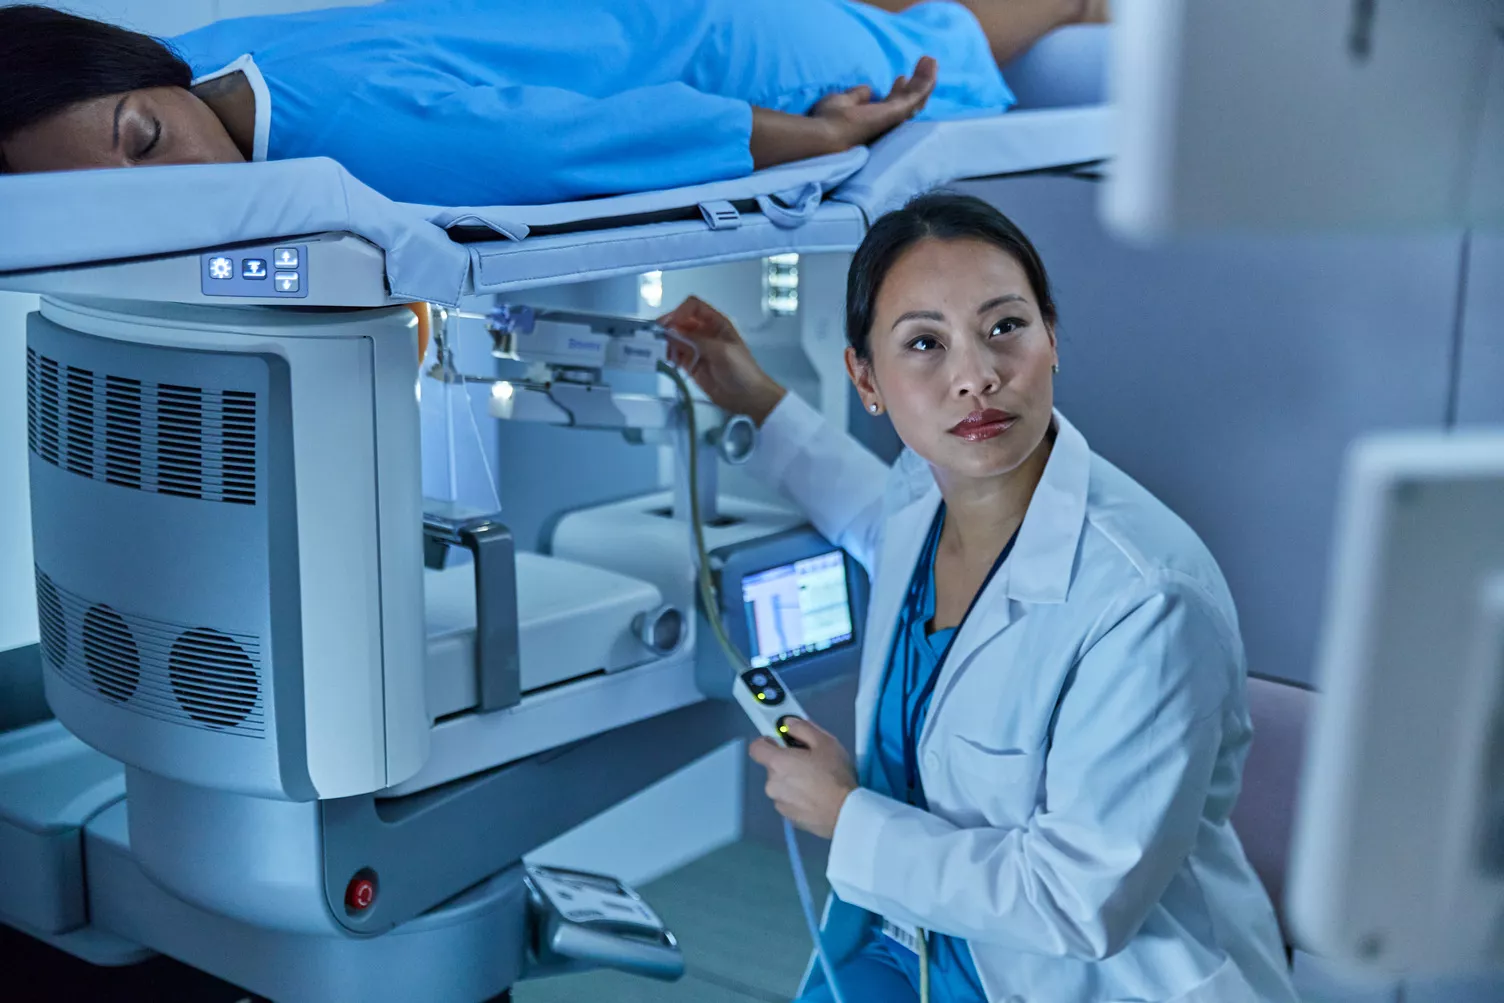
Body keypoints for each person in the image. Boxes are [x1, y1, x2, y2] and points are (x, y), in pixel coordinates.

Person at [658, 193, 1299, 1003]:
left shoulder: (1148, 599)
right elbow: (870, 511)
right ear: (867, 379)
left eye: (1005, 327)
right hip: (906, 941)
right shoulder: (925, 502)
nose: (976, 376)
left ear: (1052, 338)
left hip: (1067, 976)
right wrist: (750, 394)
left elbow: (1079, 903)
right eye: (925, 343)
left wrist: (846, 816)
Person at [0, 0, 1104, 206]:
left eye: (145, 140)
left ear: (129, 70)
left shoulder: (350, 143)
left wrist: (810, 137)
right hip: (660, 19)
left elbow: (577, 144)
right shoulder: (205, 57)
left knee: (941, 43)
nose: (183, 179)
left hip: (729, 59)